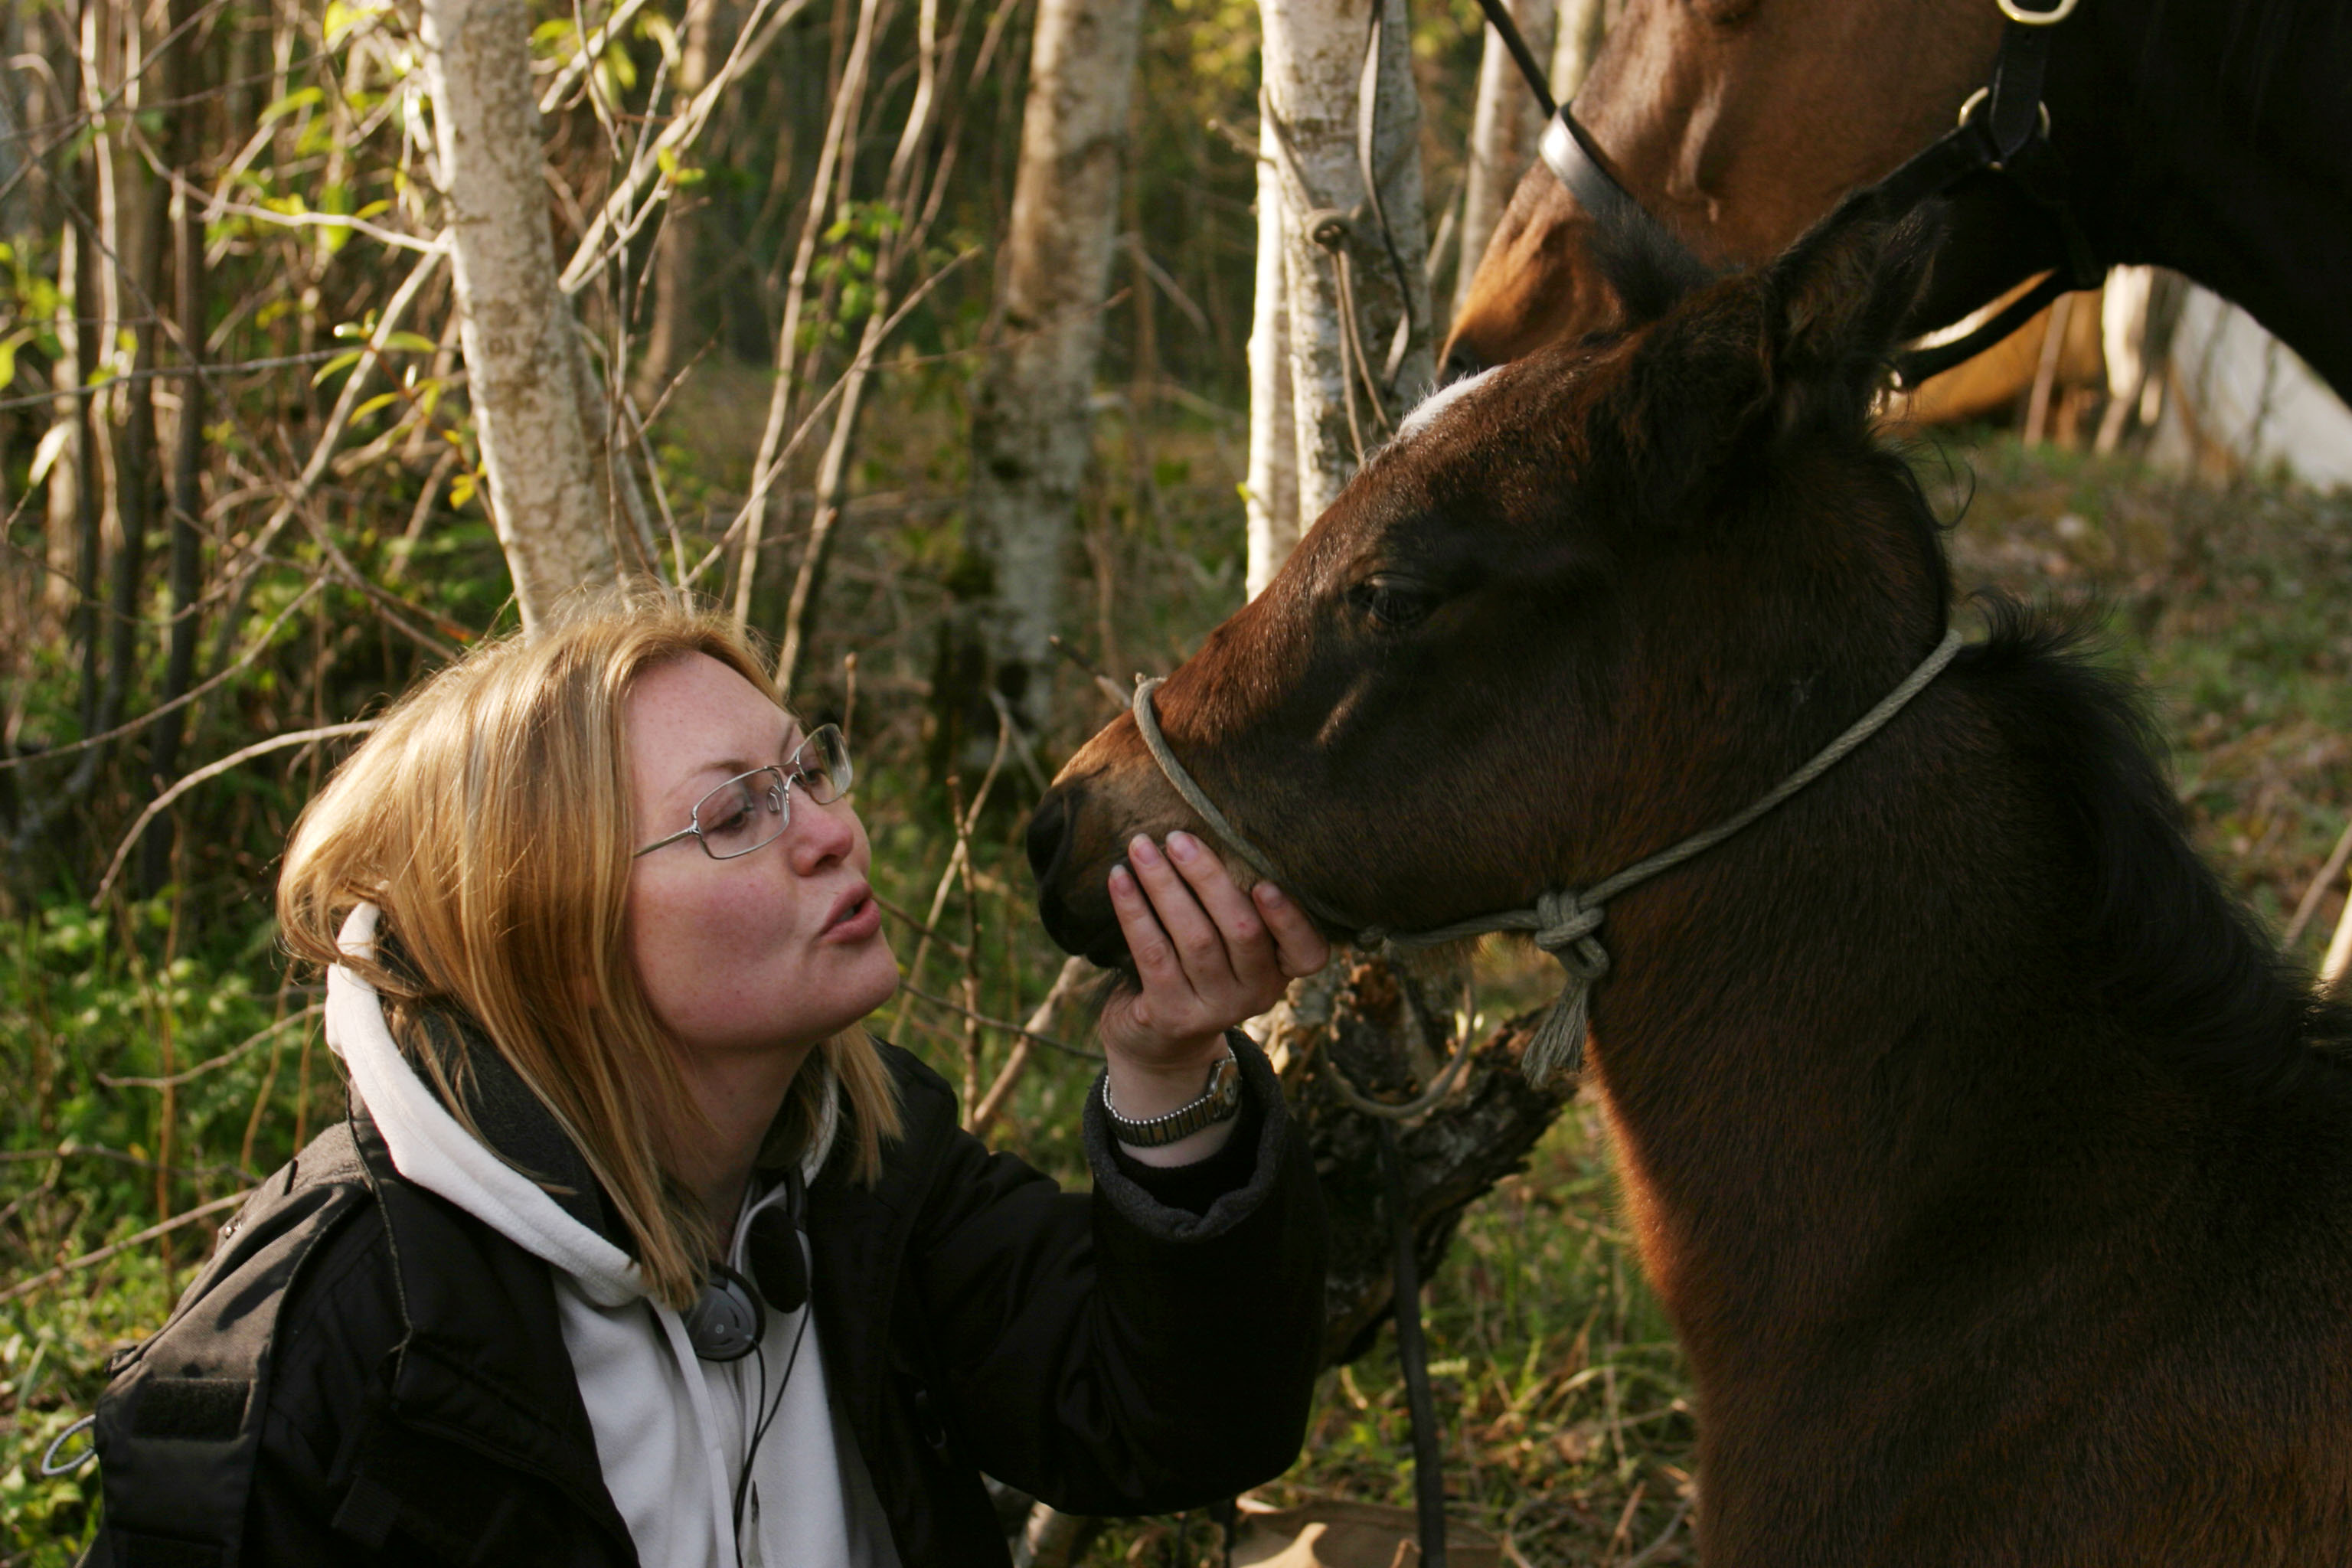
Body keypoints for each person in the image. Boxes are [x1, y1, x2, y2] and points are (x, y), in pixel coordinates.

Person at [85, 596, 1331, 1567]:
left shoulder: (865, 1164)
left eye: (808, 769)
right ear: (555, 933)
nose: (832, 829)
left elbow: (1172, 1422)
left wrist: (1167, 1072)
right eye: (735, 814)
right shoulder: (327, 1353)